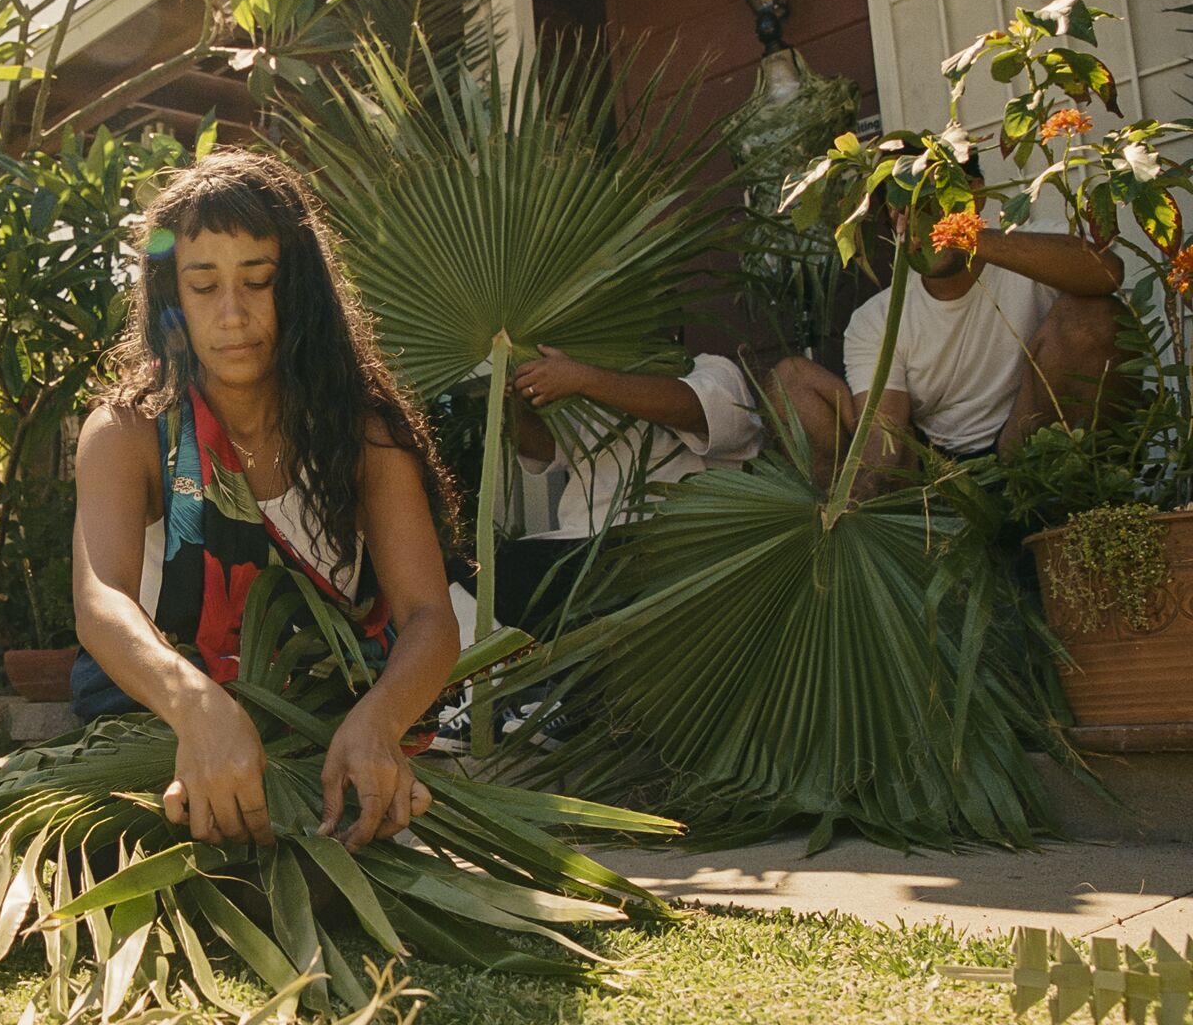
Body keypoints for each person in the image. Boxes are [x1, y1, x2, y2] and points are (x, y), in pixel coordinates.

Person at [69, 149, 462, 853]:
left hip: (329, 740)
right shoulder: (129, 433)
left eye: (258, 281)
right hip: (166, 731)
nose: (232, 314)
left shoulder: (364, 431)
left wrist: (379, 723)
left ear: (300, 288)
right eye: (203, 286)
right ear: (172, 300)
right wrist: (197, 707)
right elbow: (103, 602)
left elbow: (429, 617)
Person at [773, 160, 1125, 499]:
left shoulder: (1032, 251)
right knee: (790, 378)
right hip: (935, 472)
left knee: (1092, 313)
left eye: (933, 201)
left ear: (975, 195)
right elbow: (886, 430)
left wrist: (965, 235)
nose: (920, 223)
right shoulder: (877, 319)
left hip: (1030, 441)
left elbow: (1107, 273)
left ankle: (1071, 507)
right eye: (903, 210)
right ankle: (853, 536)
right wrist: (863, 490)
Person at [496, 345, 763, 637]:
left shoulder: (711, 368)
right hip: (576, 551)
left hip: (663, 548)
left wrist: (584, 378)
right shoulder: (580, 387)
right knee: (470, 577)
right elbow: (547, 449)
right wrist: (515, 400)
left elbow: (695, 409)